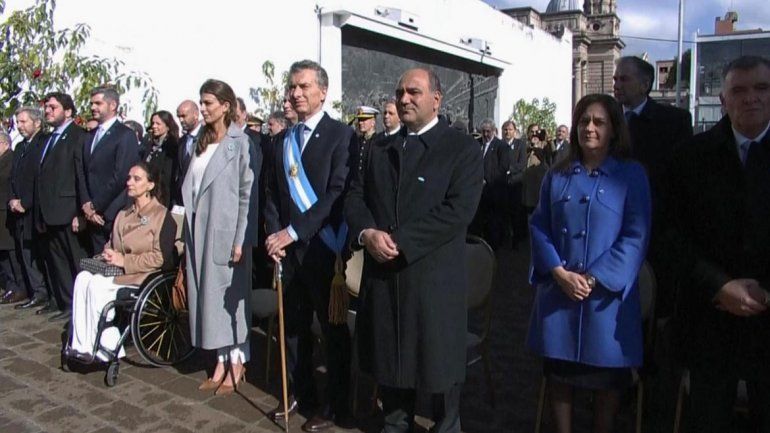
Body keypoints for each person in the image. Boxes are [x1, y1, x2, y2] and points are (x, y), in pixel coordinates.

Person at [345, 67, 483, 433]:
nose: (404, 99)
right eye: (399, 92)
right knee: (392, 370)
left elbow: (458, 210)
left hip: (433, 282)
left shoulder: (461, 148)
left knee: (439, 374)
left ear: (436, 99)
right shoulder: (378, 147)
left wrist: (401, 241)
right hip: (385, 280)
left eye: (413, 92)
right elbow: (356, 196)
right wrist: (367, 233)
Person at [528, 93, 651, 433]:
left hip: (605, 304)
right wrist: (558, 272)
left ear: (614, 129)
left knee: (606, 388)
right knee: (560, 381)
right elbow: (539, 225)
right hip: (559, 296)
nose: (590, 128)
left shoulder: (631, 175)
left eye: (599, 122)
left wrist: (594, 278)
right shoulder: (557, 174)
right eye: (584, 121)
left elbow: (636, 235)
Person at [666, 55, 770, 433]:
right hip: (709, 323)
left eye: (761, 88)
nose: (751, 97)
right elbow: (670, 235)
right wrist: (718, 286)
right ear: (723, 100)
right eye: (739, 90)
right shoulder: (690, 157)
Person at [264, 59, 355, 432]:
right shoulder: (282, 139)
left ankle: (335, 405)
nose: (296, 93)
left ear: (323, 91)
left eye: (304, 86)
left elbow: (337, 192)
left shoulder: (341, 135)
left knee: (331, 332)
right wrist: (274, 235)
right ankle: (300, 392)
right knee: (293, 328)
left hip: (323, 248)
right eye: (292, 86)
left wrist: (294, 231)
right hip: (287, 252)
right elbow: (272, 193)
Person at [181, 79, 254, 396]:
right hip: (199, 231)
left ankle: (237, 362)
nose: (203, 108)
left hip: (225, 233)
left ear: (226, 106)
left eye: (208, 102)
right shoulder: (201, 142)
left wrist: (240, 238)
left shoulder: (240, 142)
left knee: (228, 301)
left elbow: (246, 193)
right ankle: (220, 361)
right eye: (201, 102)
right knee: (208, 300)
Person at [69, 162, 176, 361]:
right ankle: (82, 344)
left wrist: (124, 260)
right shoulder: (123, 214)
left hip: (143, 276)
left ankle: (107, 346)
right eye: (128, 178)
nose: (129, 183)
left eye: (136, 179)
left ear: (150, 185)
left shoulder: (161, 216)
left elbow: (159, 258)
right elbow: (111, 243)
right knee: (83, 278)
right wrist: (108, 253)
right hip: (118, 271)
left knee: (97, 285)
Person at [34, 92, 90, 318]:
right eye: (46, 107)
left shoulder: (78, 136)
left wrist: (80, 212)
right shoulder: (48, 139)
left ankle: (82, 308)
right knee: (59, 263)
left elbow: (80, 176)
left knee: (76, 262)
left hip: (69, 213)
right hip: (50, 213)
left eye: (53, 107)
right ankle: (68, 305)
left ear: (68, 111)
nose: (48, 111)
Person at [78, 86, 140, 253]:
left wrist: (96, 206)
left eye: (98, 103)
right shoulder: (90, 136)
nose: (93, 107)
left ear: (113, 105)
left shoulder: (125, 135)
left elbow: (121, 176)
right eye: (91, 103)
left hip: (111, 213)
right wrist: (86, 205)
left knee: (109, 263)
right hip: (90, 215)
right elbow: (82, 171)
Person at [5, 107, 47, 308]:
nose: (20, 126)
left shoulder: (43, 143)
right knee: (25, 253)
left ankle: (46, 293)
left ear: (37, 122)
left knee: (39, 253)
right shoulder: (21, 147)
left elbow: (40, 179)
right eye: (18, 122)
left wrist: (26, 202)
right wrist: (13, 199)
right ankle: (37, 291)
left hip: (35, 209)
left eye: (23, 122)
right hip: (18, 210)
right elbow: (13, 177)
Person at [141, 110, 179, 207]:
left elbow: (167, 175)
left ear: (167, 126)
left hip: (161, 194)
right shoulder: (148, 143)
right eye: (153, 123)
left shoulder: (172, 146)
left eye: (158, 124)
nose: (154, 126)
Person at [0, 132, 21, 305]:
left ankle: (18, 287)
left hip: (5, 212)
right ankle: (10, 286)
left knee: (10, 253)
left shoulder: (10, 159)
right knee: (3, 255)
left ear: (5, 143)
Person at [499, 120, 528, 248]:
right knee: (503, 213)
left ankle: (517, 240)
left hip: (516, 183)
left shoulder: (520, 144)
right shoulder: (499, 144)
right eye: (505, 129)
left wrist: (510, 170)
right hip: (502, 183)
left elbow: (522, 163)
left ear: (514, 131)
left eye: (510, 129)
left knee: (516, 213)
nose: (507, 132)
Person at [175, 100, 202, 206]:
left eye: (184, 116)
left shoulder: (208, 137)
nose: (181, 120)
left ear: (196, 114)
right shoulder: (182, 142)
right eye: (179, 117)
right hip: (183, 200)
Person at [522, 123, 551, 214]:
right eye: (532, 132)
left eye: (536, 132)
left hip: (538, 185)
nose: (534, 134)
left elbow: (549, 161)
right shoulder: (523, 146)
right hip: (526, 186)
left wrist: (537, 147)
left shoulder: (545, 146)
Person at [353, 105, 379, 176]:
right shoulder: (358, 141)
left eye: (364, 119)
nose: (360, 123)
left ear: (373, 122)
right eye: (359, 120)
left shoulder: (378, 142)